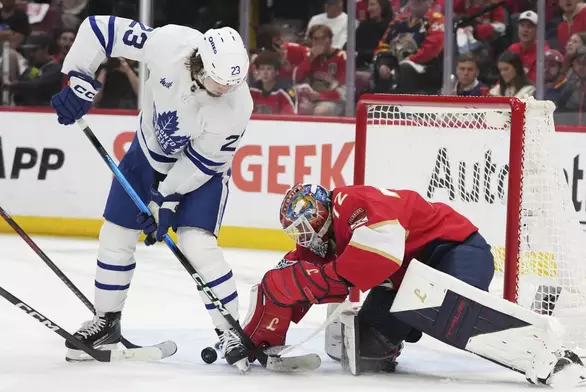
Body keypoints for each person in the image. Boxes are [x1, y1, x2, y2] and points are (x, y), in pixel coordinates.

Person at [49, 15, 253, 371]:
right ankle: (106, 321)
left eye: (231, 84)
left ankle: (230, 330)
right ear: (200, 63)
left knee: (196, 244)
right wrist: (79, 79)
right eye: (219, 82)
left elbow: (200, 165)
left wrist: (166, 199)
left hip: (199, 173)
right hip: (147, 155)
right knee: (116, 234)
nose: (225, 91)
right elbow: (100, 30)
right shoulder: (169, 43)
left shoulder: (238, 105)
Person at [242, 183, 495, 372]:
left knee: (459, 306)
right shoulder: (319, 242)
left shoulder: (353, 202)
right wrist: (253, 337)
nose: (302, 238)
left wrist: (324, 276)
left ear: (319, 214)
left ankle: (527, 335)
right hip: (406, 282)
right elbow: (281, 281)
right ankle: (407, 325)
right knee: (366, 351)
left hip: (451, 249)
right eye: (295, 233)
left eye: (302, 228)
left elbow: (383, 255)